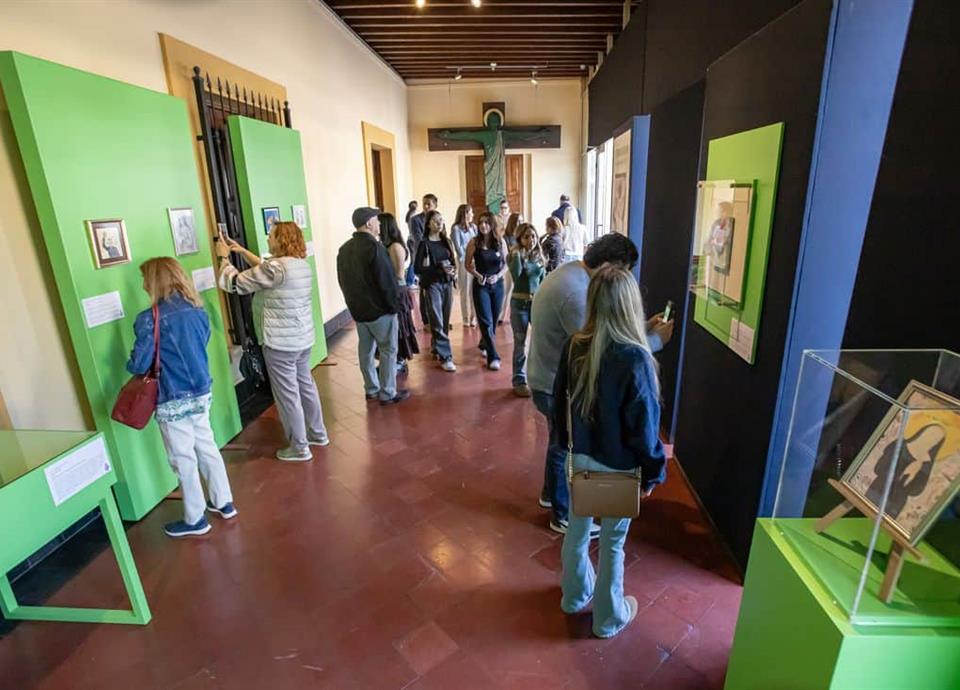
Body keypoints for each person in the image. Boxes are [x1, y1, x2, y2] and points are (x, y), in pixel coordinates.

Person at [528, 233, 674, 534]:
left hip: (549, 378)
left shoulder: (573, 274)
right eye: (625, 271)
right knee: (562, 448)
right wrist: (656, 340)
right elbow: (606, 351)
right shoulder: (577, 293)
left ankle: (552, 495)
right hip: (554, 385)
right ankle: (561, 512)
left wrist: (643, 326)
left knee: (559, 443)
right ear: (611, 265)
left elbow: (605, 333)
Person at [553, 265, 667, 638]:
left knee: (577, 531)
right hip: (619, 466)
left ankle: (573, 596)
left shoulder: (575, 346)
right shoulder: (635, 358)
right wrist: (654, 472)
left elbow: (559, 404)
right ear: (630, 305)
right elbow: (644, 428)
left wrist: (561, 446)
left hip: (579, 457)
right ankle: (608, 618)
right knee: (613, 544)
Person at [128, 257, 235, 538]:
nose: (143, 284)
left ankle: (195, 519)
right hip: (201, 389)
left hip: (172, 394)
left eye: (145, 278)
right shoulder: (197, 309)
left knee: (182, 457)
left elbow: (139, 365)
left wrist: (131, 360)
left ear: (155, 281)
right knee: (207, 446)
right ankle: (223, 502)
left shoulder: (149, 318)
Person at [217, 222, 329, 462]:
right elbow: (269, 271)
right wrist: (242, 251)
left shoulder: (276, 269)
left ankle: (299, 448)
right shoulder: (300, 265)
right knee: (306, 386)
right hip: (302, 339)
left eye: (271, 236)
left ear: (281, 240)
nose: (268, 239)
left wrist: (223, 258)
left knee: (287, 396)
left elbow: (234, 283)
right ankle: (318, 434)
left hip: (280, 344)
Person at [336, 208, 410, 405]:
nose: (379, 224)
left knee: (366, 351)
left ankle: (371, 388)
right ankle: (388, 392)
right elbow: (386, 281)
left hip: (359, 312)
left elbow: (343, 281)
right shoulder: (375, 248)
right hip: (380, 311)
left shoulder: (344, 249)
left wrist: (352, 306)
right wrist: (394, 306)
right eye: (376, 220)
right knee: (388, 350)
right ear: (368, 223)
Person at [414, 209, 458, 372]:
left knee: (444, 320)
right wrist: (438, 268)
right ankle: (446, 357)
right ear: (428, 224)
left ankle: (436, 347)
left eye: (441, 220)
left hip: (447, 283)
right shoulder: (424, 244)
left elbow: (452, 261)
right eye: (435, 221)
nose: (439, 223)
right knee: (437, 320)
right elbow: (417, 268)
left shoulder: (446, 241)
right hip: (433, 284)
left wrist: (453, 271)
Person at [465, 210, 508, 371]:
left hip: (497, 284)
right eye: (481, 222)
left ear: (492, 225)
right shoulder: (474, 243)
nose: (483, 225)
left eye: (486, 223)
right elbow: (467, 264)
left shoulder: (500, 242)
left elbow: (507, 263)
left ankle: (485, 343)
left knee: (494, 319)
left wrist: (497, 276)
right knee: (485, 320)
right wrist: (477, 275)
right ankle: (493, 356)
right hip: (481, 285)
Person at [379, 212, 420, 373]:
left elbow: (399, 274)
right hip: (390, 290)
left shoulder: (395, 247)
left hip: (397, 291)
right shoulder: (385, 246)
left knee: (401, 326)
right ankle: (394, 358)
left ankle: (400, 360)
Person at [508, 223, 546, 397]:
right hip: (519, 305)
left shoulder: (539, 257)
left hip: (536, 303)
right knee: (520, 343)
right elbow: (516, 276)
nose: (531, 240)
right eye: (526, 237)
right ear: (520, 239)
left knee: (540, 340)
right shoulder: (515, 256)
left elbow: (543, 281)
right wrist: (517, 255)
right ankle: (519, 380)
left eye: (533, 236)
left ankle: (539, 378)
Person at [410, 194, 438, 326]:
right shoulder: (415, 220)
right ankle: (426, 320)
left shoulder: (438, 218)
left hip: (437, 258)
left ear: (435, 205)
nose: (426, 206)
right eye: (424, 204)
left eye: (429, 204)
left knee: (437, 288)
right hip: (423, 258)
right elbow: (419, 239)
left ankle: (437, 318)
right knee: (425, 289)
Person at [451, 204, 478, 328]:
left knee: (474, 290)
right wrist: (468, 260)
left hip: (475, 261)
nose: (472, 214)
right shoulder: (456, 229)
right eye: (471, 212)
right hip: (464, 262)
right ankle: (466, 317)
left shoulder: (474, 227)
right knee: (465, 290)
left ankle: (474, 316)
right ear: (465, 213)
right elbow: (458, 248)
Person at [500, 212, 523, 323]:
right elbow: (507, 253)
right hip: (509, 266)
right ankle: (501, 316)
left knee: (515, 291)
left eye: (522, 220)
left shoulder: (521, 235)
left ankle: (508, 314)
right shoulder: (506, 237)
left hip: (520, 265)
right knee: (507, 290)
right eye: (519, 221)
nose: (521, 223)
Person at [404, 200, 419, 286]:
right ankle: (410, 281)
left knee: (414, 260)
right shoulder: (414, 215)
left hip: (410, 239)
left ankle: (413, 278)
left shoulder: (409, 215)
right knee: (414, 261)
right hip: (413, 240)